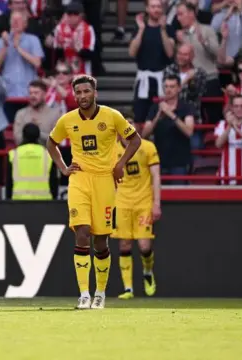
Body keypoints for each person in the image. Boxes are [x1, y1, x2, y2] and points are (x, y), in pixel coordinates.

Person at [46, 74, 141, 310]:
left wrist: (120, 165)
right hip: (79, 179)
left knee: (100, 241)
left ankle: (100, 293)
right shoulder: (67, 120)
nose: (82, 96)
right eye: (78, 93)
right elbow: (51, 143)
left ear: (95, 93)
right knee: (82, 232)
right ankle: (84, 294)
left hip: (104, 181)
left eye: (86, 92)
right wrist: (64, 168)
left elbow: (135, 140)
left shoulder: (112, 116)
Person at [113, 116, 161, 300]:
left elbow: (156, 176)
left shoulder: (147, 147)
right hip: (122, 202)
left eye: (131, 126)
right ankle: (128, 289)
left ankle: (148, 272)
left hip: (143, 202)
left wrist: (156, 203)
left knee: (144, 245)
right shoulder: (112, 151)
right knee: (124, 244)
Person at [6, 123, 52, 200]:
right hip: (44, 202)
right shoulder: (48, 155)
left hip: (18, 201)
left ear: (23, 136)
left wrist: (8, 202)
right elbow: (53, 181)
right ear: (38, 136)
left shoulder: (13, 154)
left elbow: (9, 182)